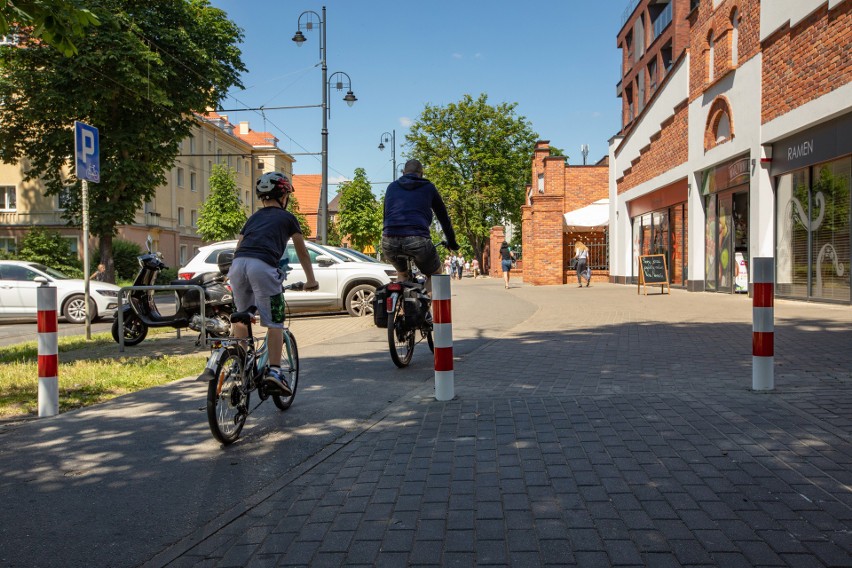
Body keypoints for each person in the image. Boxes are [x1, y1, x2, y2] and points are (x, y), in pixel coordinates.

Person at [229, 172, 319, 396]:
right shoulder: (287, 218)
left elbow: (238, 246)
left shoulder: (253, 218)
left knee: (242, 316)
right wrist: (311, 280)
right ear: (284, 195)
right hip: (263, 266)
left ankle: (238, 366)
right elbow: (302, 252)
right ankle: (275, 372)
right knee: (275, 322)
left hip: (238, 265)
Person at [382, 159, 459, 295]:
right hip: (417, 239)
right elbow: (443, 218)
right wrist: (452, 243)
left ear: (404, 172)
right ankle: (426, 307)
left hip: (389, 240)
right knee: (435, 273)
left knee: (402, 274)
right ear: (421, 174)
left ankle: (398, 309)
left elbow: (386, 216)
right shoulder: (428, 187)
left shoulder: (392, 187)